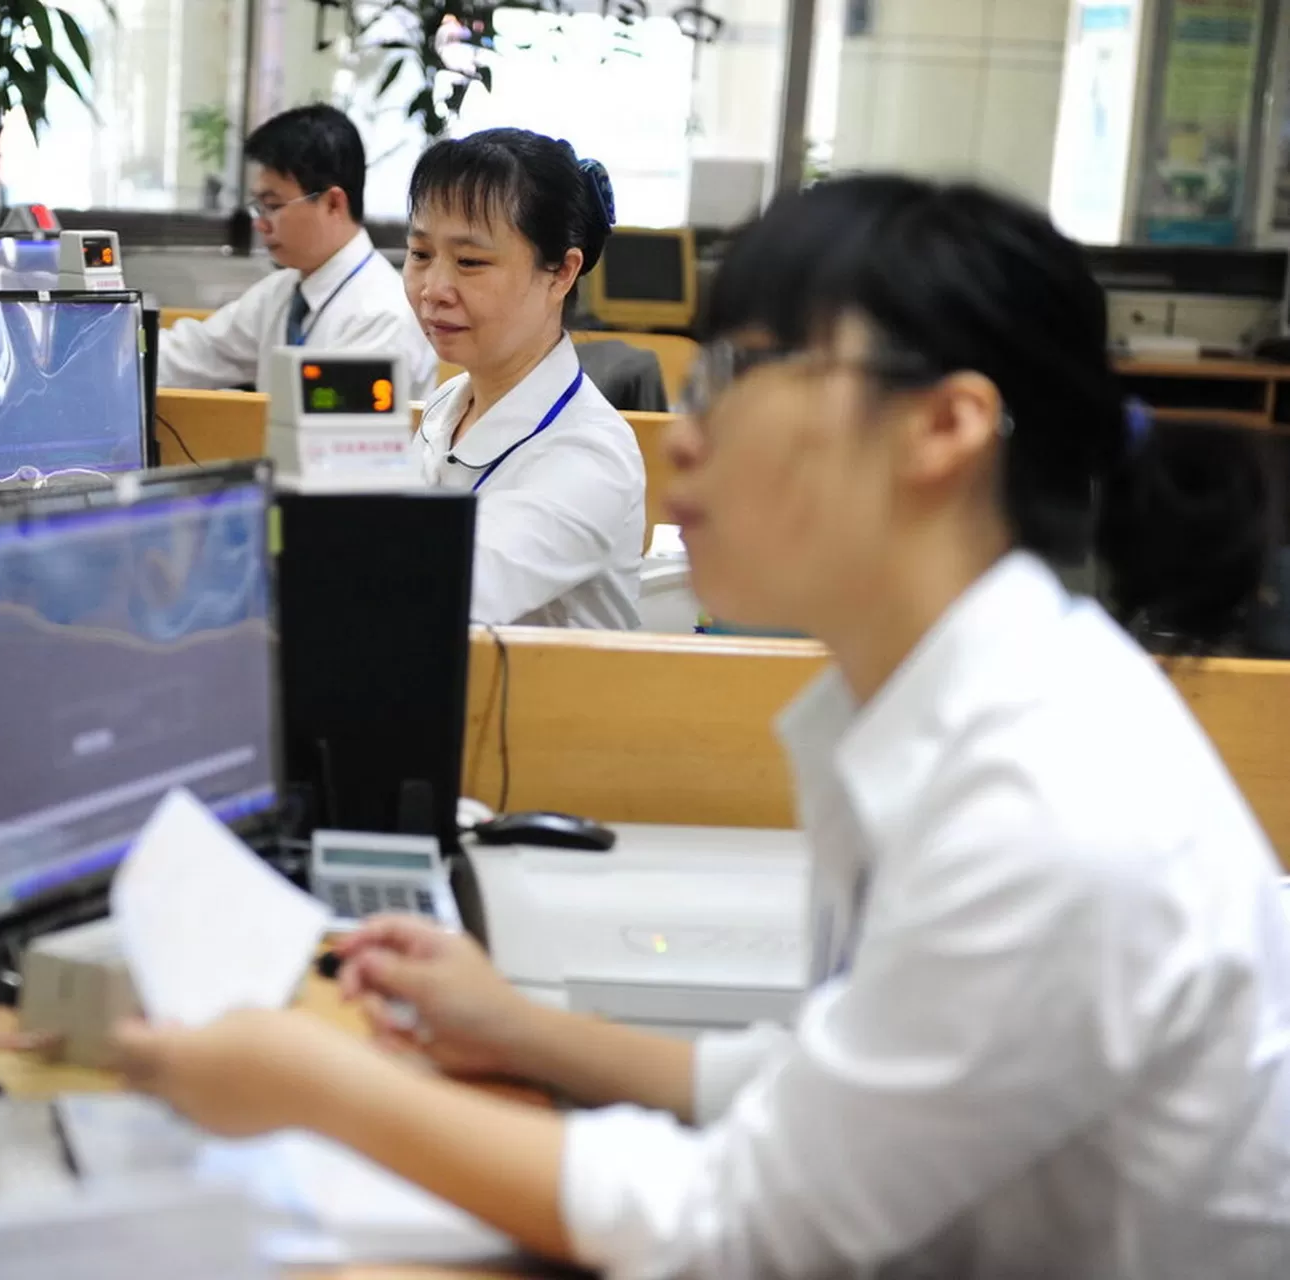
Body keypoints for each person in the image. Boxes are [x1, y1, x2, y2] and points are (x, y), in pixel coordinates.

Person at [112, 174, 1290, 1277]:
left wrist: (317, 1083)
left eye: (744, 372)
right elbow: (825, 1084)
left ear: (941, 427)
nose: (682, 429)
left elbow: (741, 1224)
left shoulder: (1045, 805)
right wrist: (519, 1030)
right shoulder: (944, 702)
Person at [405, 129, 645, 628]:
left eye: (470, 262)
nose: (434, 289)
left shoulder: (591, 456)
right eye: (421, 254)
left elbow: (440, 591)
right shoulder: (449, 404)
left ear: (561, 273)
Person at [156, 104, 437, 399]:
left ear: (333, 203)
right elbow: (194, 354)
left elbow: (334, 423)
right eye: (258, 207)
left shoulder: (382, 314)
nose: (260, 224)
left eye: (272, 206)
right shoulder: (281, 292)